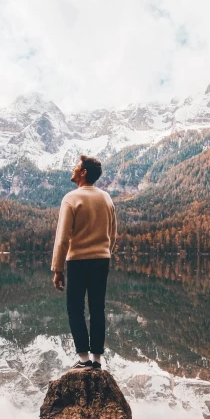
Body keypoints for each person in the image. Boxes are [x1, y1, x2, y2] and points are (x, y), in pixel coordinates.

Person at [51, 154, 117, 370]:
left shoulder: (71, 198)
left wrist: (57, 269)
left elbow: (62, 238)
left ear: (84, 172)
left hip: (78, 261)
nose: (74, 169)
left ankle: (83, 359)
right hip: (101, 261)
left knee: (75, 309)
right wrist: (105, 251)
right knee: (98, 308)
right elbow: (113, 234)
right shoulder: (106, 198)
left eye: (77, 166)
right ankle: (97, 361)